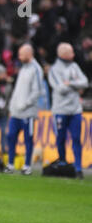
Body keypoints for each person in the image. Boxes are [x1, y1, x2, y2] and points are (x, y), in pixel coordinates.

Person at [48, 42, 88, 179]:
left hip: (75, 110)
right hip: (60, 110)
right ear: (63, 54)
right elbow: (60, 89)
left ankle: (78, 168)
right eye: (71, 52)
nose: (74, 54)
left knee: (77, 138)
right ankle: (63, 163)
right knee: (60, 138)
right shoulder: (54, 70)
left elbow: (85, 82)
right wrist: (76, 85)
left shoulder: (74, 66)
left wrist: (70, 83)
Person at [4, 44, 44, 175]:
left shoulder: (36, 69)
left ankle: (27, 166)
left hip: (28, 113)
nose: (19, 57)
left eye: (21, 54)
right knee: (11, 137)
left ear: (29, 54)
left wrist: (25, 104)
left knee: (28, 139)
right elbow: (17, 90)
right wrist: (12, 106)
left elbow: (37, 91)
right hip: (16, 112)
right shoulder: (23, 69)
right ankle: (10, 164)